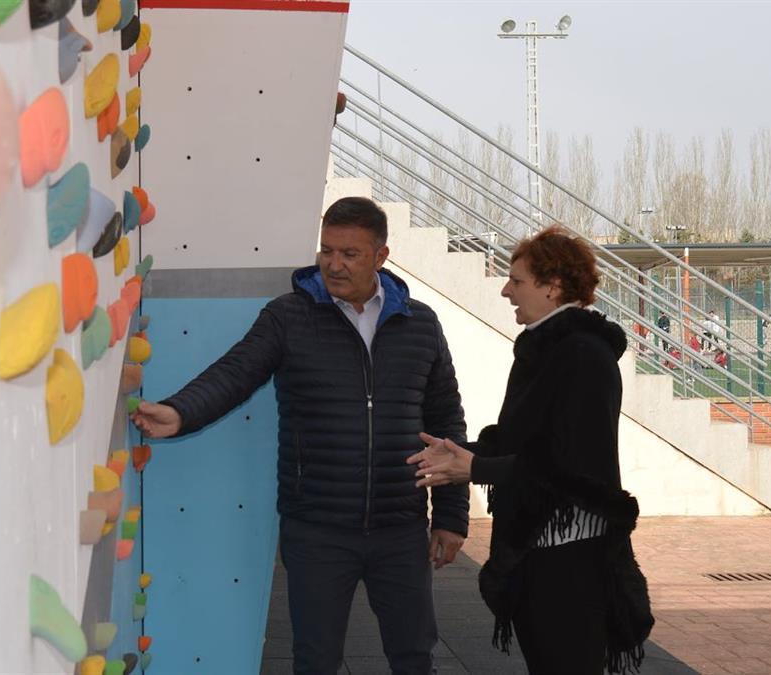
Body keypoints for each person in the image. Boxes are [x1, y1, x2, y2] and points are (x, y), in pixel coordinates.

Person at [131, 196, 470, 674]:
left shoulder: (421, 324)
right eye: (326, 251)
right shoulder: (288, 316)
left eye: (349, 254)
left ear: (380, 256)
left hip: (401, 527)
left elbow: (447, 426)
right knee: (315, 660)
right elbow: (235, 372)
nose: (334, 264)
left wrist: (452, 517)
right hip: (317, 529)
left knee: (414, 656)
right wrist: (179, 412)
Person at [407, 226, 653, 674]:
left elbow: (572, 464)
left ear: (553, 286)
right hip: (543, 545)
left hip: (569, 555)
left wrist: (476, 466)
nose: (505, 290)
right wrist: (456, 452)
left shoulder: (580, 353)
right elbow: (522, 441)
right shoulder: (548, 348)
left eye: (516, 281)